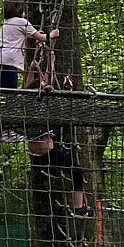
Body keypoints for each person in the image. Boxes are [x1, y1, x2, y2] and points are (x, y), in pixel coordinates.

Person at [23, 55, 90, 218]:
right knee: (77, 172)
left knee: (55, 135)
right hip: (47, 154)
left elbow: (30, 85)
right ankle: (79, 208)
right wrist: (51, 63)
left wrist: (32, 70)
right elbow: (48, 81)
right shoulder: (41, 102)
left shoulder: (26, 101)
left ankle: (52, 170)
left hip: (37, 156)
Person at [0, 0, 59, 89]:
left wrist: (34, 34)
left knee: (0, 89)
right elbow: (42, 38)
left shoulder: (6, 23)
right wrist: (52, 34)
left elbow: (16, 35)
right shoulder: (22, 22)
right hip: (8, 61)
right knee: (11, 93)